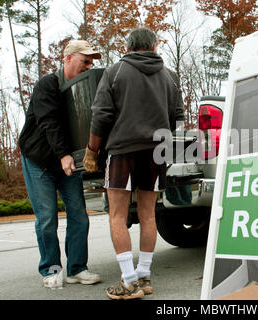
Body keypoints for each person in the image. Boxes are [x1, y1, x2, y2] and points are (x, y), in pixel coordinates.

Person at [83, 27, 184, 300]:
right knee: (148, 214)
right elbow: (177, 117)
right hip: (156, 153)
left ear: (128, 47)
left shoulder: (115, 72)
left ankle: (129, 281)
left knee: (117, 214)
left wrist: (92, 151)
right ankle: (144, 275)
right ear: (154, 46)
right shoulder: (170, 77)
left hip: (122, 151)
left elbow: (101, 115)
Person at [18, 40, 102, 289]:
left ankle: (77, 269)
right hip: (39, 160)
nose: (89, 66)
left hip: (67, 162)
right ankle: (51, 269)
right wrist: (64, 154)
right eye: (84, 61)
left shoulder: (81, 90)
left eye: (91, 62)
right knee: (47, 218)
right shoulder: (48, 84)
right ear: (67, 59)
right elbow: (48, 122)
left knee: (79, 215)